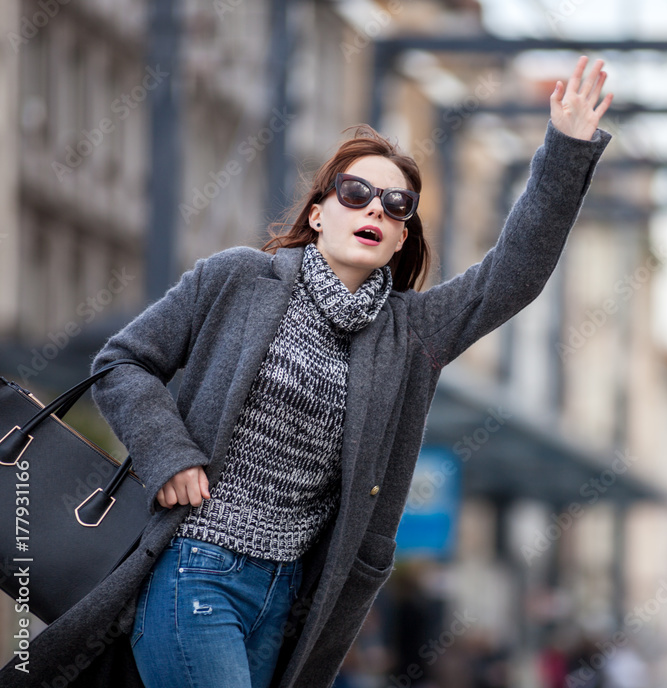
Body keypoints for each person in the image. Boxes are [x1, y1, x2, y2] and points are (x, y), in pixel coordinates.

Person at [0, 55, 612, 687]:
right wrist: (168, 452)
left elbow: (510, 277)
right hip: (196, 570)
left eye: (396, 204)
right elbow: (123, 360)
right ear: (320, 212)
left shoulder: (411, 334)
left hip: (288, 602)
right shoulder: (238, 279)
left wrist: (565, 148)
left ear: (402, 237)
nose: (375, 208)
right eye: (356, 193)